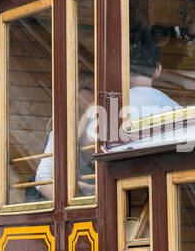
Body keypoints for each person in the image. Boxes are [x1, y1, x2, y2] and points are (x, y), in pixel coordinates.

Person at [34, 28, 178, 200]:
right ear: (157, 70)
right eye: (91, 89)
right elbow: (44, 177)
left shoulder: (106, 111)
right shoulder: (175, 108)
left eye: (98, 89)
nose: (97, 94)